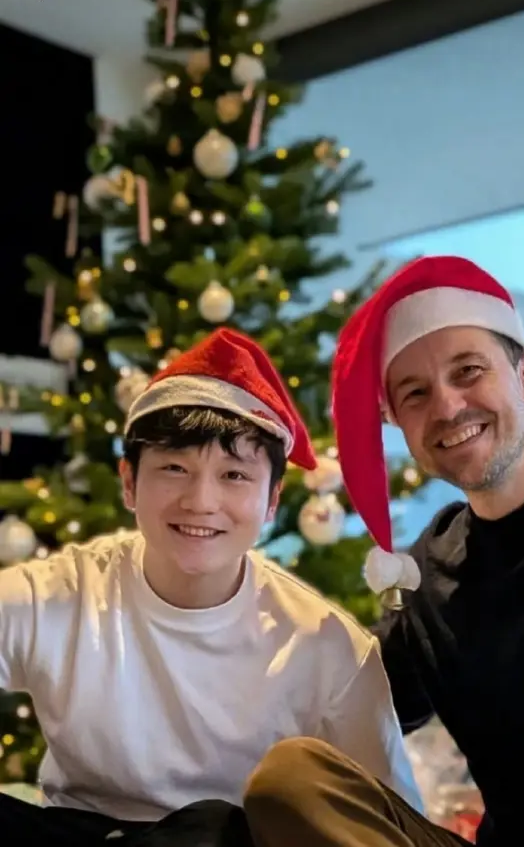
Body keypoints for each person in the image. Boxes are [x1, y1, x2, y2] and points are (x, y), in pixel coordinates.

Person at [241, 256, 524, 846]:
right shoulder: (432, 566)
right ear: (398, 423)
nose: (447, 407)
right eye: (415, 394)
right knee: (293, 777)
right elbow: (344, 706)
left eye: (469, 371)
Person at [0, 328, 422, 846]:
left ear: (272, 500)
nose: (201, 502)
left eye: (234, 475)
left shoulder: (328, 648)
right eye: (174, 468)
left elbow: (392, 822)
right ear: (130, 482)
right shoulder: (59, 593)